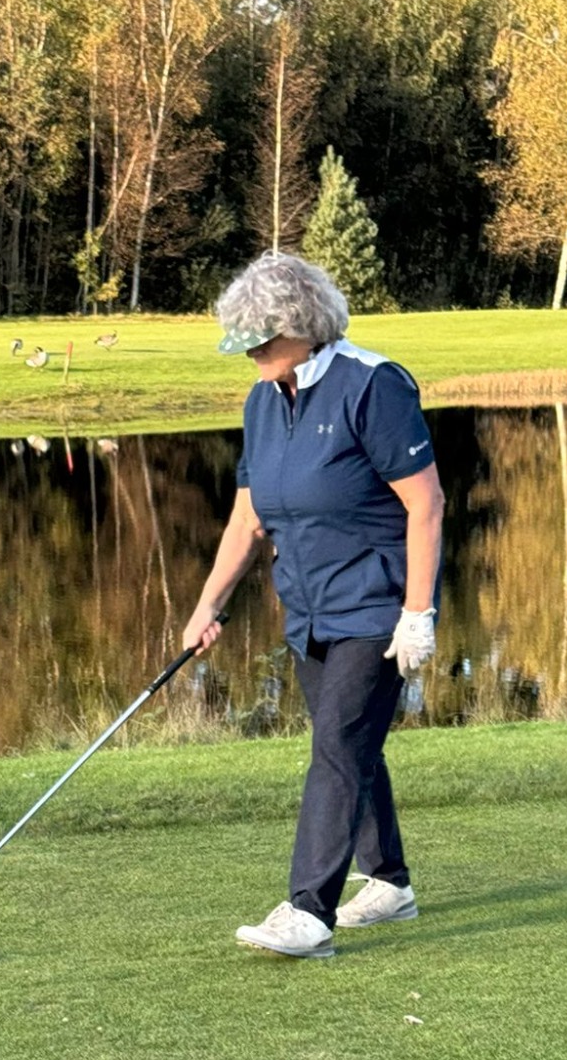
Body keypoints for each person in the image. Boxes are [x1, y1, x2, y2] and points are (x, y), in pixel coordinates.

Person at [182, 251, 443, 958]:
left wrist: (418, 612)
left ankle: (308, 911)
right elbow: (248, 517)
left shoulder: (372, 385)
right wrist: (207, 604)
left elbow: (426, 504)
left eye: (262, 340)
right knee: (349, 742)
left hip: (376, 604)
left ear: (302, 327)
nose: (252, 354)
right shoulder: (263, 400)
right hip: (308, 606)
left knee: (338, 746)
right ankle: (390, 882)